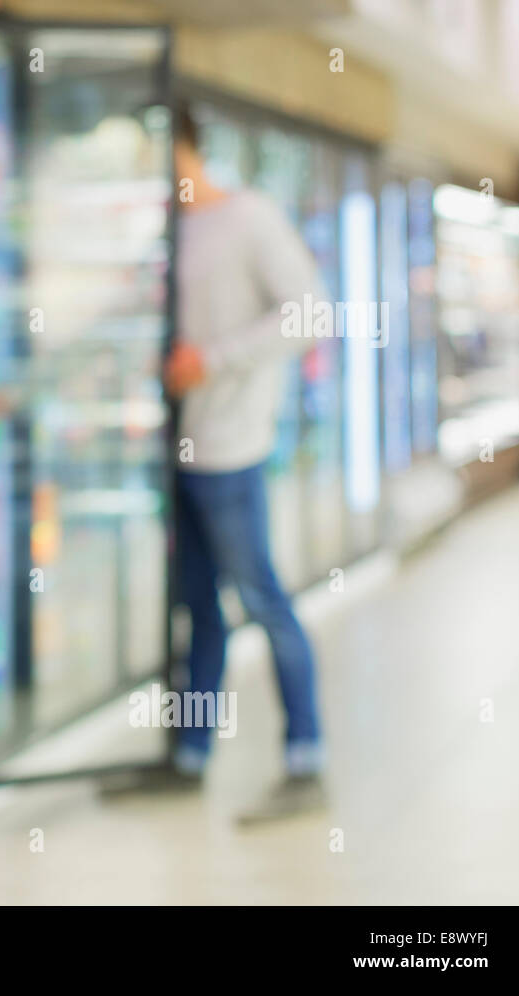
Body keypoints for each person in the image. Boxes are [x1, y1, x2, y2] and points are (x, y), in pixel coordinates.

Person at [112, 104, 328, 823]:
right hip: (179, 449)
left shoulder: (250, 217)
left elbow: (310, 314)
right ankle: (190, 755)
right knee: (197, 611)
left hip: (232, 449)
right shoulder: (169, 232)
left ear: (182, 147)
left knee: (262, 598)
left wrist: (215, 360)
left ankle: (306, 756)